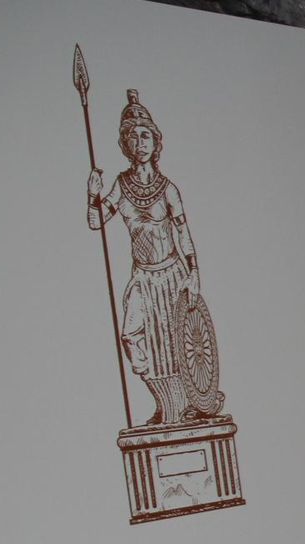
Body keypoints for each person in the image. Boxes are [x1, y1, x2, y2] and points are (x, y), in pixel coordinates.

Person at [87, 89, 225, 427]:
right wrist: (92, 194)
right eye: (133, 137)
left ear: (155, 141)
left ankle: (185, 406)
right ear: (126, 145)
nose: (140, 142)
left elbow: (183, 232)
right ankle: (165, 402)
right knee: (132, 337)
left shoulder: (168, 189)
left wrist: (194, 273)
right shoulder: (121, 185)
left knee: (181, 345)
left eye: (145, 135)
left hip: (173, 274)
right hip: (144, 278)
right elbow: (95, 221)